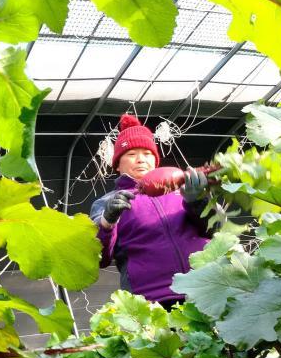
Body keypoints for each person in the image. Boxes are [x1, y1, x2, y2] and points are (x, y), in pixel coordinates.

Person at [90, 114, 211, 305]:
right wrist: (107, 221)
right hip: (151, 300)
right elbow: (99, 258)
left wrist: (199, 201)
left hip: (204, 290)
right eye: (131, 154)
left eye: (147, 154)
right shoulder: (108, 202)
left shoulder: (183, 190)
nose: (140, 159)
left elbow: (215, 230)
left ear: (155, 160)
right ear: (117, 164)